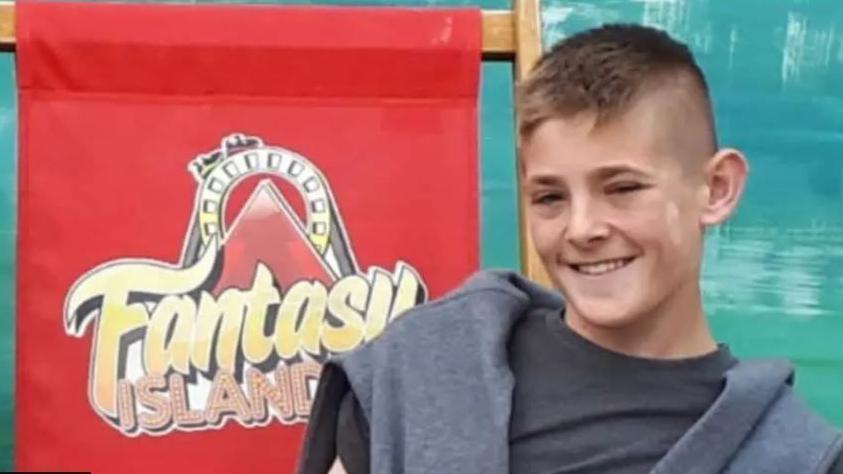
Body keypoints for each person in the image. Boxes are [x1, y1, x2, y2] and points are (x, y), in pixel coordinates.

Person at [297, 24, 843, 474]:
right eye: (550, 197)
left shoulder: (794, 456)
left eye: (623, 188)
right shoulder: (426, 373)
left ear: (717, 188)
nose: (582, 228)